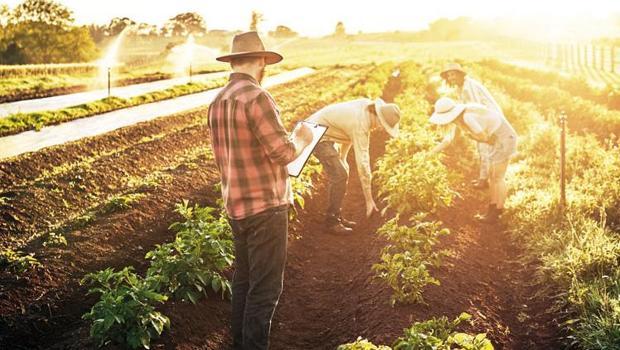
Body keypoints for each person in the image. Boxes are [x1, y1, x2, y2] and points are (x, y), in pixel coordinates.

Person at [208, 31, 313, 350]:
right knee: (265, 291)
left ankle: (239, 343)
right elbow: (283, 153)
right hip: (266, 208)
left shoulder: (217, 101)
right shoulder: (257, 97)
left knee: (243, 282)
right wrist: (303, 137)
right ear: (260, 61)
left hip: (235, 207)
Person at [306, 98, 401, 233]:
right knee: (339, 175)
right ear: (378, 117)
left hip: (325, 132)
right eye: (383, 125)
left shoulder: (365, 109)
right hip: (315, 134)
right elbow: (363, 163)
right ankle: (331, 222)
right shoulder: (361, 123)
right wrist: (369, 200)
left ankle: (336, 216)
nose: (381, 128)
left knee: (342, 171)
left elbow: (347, 133)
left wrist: (343, 158)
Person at [429, 97, 517, 224]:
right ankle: (492, 209)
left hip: (505, 139)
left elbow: (483, 136)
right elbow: (448, 139)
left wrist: (472, 136)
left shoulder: (467, 117)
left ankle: (498, 212)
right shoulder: (461, 116)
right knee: (493, 177)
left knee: (498, 177)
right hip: (497, 139)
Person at [439, 63, 505, 190]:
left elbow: (478, 107)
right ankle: (485, 178)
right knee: (483, 147)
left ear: (460, 74)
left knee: (484, 147)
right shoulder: (461, 87)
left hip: (487, 118)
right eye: (448, 76)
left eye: (453, 74)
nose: (451, 78)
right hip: (482, 118)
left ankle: (485, 180)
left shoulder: (470, 87)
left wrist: (475, 128)